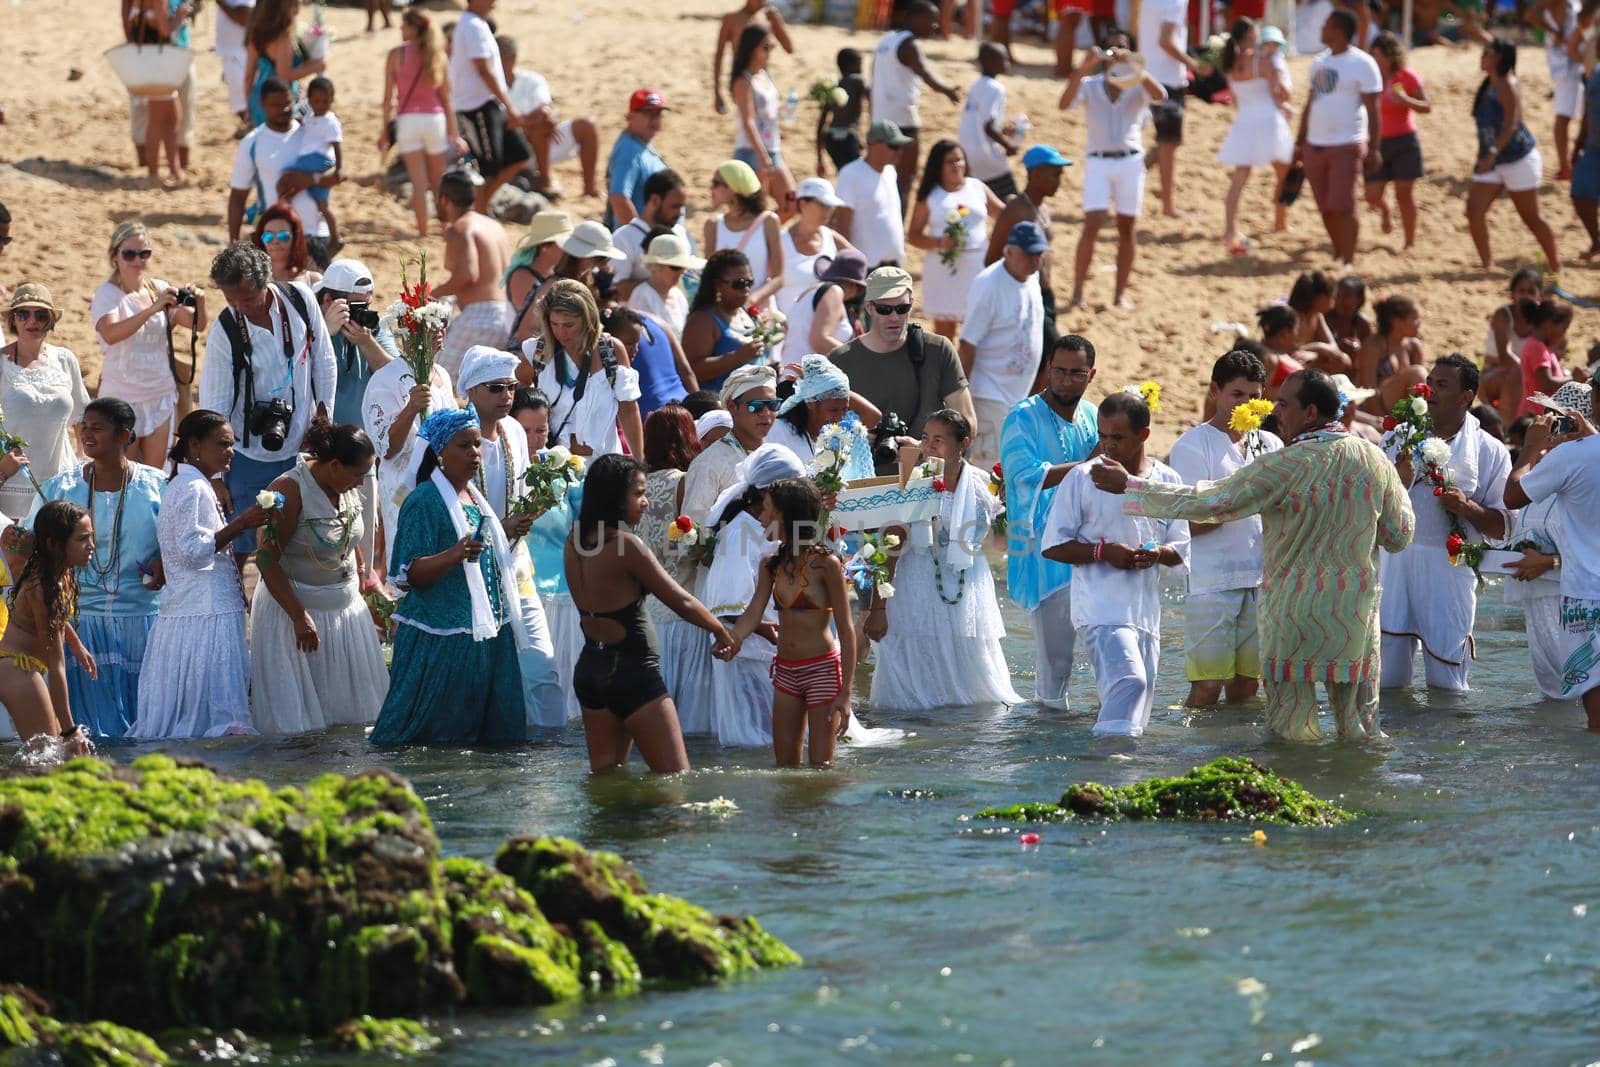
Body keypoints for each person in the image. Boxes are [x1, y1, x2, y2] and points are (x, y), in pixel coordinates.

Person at [1092, 369, 1414, 740]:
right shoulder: (1374, 460)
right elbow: (1400, 536)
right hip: (1353, 619)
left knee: (1294, 736)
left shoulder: (1285, 464)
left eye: (1284, 403)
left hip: (1293, 617)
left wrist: (1130, 487)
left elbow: (1211, 501)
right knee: (1361, 734)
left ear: (1310, 413)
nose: (1275, 411)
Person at [567, 453, 735, 771]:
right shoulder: (627, 546)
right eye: (639, 494)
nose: (645, 502)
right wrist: (720, 629)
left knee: (606, 779)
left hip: (590, 669)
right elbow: (680, 601)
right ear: (615, 497)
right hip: (633, 672)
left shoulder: (574, 541)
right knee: (676, 778)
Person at [372, 407, 529, 745]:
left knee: (488, 737)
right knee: (431, 737)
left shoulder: (473, 496)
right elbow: (411, 572)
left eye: (477, 445)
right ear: (440, 452)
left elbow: (473, 545)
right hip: (441, 635)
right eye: (464, 445)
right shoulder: (424, 500)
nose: (474, 453)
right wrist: (454, 555)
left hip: (484, 629)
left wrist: (505, 529)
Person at [1043, 390, 1188, 738]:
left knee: (1138, 711)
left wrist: (1155, 554)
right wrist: (1103, 552)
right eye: (1102, 436)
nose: (1107, 446)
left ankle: (1115, 780)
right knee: (1129, 681)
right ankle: (1108, 767)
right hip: (1100, 608)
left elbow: (1180, 548)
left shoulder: (1166, 480)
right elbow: (1052, 546)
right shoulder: (1082, 477)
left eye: (1118, 438)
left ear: (1144, 435)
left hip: (1144, 614)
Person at [27, 400, 164, 740]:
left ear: (124, 436)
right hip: (79, 620)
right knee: (89, 728)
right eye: (84, 427)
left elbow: (177, 542)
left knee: (143, 730)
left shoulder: (157, 486)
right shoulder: (61, 487)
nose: (86, 434)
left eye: (97, 428)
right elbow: (34, 543)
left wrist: (164, 563)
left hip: (141, 619)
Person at [868, 408, 1019, 711]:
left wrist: (1010, 503)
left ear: (962, 444)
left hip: (969, 585)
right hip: (917, 585)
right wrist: (878, 608)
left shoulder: (983, 484)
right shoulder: (912, 480)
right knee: (914, 669)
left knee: (972, 671)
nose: (929, 447)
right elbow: (890, 546)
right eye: (925, 438)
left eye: (939, 440)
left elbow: (1001, 543)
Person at [132, 410, 267, 739]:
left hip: (195, 608)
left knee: (194, 707)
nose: (230, 451)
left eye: (232, 445)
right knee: (213, 720)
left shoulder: (189, 483)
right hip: (206, 610)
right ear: (194, 445)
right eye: (222, 444)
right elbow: (194, 551)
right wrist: (242, 524)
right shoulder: (194, 488)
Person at [197, 242, 336, 562]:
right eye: (230, 299)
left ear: (266, 283)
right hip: (248, 454)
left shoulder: (300, 300)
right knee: (243, 543)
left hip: (302, 443)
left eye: (247, 298)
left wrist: (323, 419)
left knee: (299, 540)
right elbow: (214, 405)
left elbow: (324, 361)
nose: (239, 307)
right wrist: (216, 476)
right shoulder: (225, 329)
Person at [1379, 357, 1510, 693]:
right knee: (1388, 684)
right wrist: (1399, 479)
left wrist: (1467, 508)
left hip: (1450, 574)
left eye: (1442, 385)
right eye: (1430, 382)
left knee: (1448, 686)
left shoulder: (1490, 451)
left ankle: (1449, 743)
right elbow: (1370, 509)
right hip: (1396, 566)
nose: (1429, 390)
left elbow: (1503, 528)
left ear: (1466, 397)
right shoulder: (1397, 439)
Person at [249, 417, 387, 734]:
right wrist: (298, 615)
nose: (362, 483)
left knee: (352, 721)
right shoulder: (289, 489)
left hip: (345, 612)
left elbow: (349, 540)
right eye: (357, 474)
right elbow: (267, 559)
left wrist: (368, 587)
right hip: (296, 615)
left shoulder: (347, 486)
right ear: (335, 465)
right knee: (301, 727)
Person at [456, 346, 565, 730]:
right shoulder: (451, 435)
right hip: (467, 567)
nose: (506, 396)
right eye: (496, 387)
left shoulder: (515, 431)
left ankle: (550, 751)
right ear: (470, 390)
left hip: (514, 564)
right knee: (476, 674)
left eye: (512, 387)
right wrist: (500, 527)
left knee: (541, 663)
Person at [1167, 351, 1283, 707]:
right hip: (1211, 583)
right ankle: (1194, 753)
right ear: (1215, 391)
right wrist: (1244, 496)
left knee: (1248, 687)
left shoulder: (1271, 445)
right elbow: (1191, 523)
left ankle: (1239, 753)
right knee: (1207, 687)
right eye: (1237, 395)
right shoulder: (1191, 445)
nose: (1246, 404)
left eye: (1254, 397)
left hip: (1261, 581)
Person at [999, 334, 1101, 710]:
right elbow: (1023, 476)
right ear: (1047, 369)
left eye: (1076, 373)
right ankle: (1047, 732)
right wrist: (1090, 463)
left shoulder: (1093, 416)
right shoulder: (1022, 416)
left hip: (1090, 543)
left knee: (1101, 647)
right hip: (1046, 548)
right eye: (1058, 371)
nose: (1065, 380)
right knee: (1056, 659)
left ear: (1091, 374)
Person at [726, 477, 854, 766]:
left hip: (822, 671)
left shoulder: (827, 565)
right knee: (785, 768)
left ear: (787, 516)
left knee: (822, 768)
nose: (761, 517)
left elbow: (846, 631)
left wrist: (845, 693)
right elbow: (753, 612)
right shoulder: (770, 563)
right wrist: (733, 639)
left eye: (768, 510)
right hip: (785, 672)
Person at [1503, 386, 1600, 728]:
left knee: (1587, 707)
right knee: (1560, 703)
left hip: (1580, 597)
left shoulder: (1571, 461)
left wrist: (1529, 448)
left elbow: (1512, 496)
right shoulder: (1557, 467)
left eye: (1555, 420)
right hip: (1548, 604)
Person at [701, 442, 807, 747]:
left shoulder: (769, 525)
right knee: (757, 738)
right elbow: (727, 602)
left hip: (769, 645)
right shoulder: (741, 531)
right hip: (750, 649)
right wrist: (767, 630)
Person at [1059, 43, 1166, 310]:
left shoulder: (1137, 83)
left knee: (1127, 227)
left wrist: (1136, 68)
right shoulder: (1090, 84)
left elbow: (1161, 95)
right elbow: (1063, 105)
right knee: (1092, 223)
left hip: (1130, 161)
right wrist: (1083, 67)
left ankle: (1119, 295)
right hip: (1099, 160)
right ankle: (1077, 292)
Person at [828, 267, 976, 460]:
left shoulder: (938, 349)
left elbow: (968, 424)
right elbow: (820, 433)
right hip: (863, 483)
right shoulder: (840, 361)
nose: (894, 317)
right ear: (869, 307)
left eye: (902, 308)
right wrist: (857, 439)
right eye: (884, 309)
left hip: (927, 481)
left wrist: (926, 447)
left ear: (912, 304)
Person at [92, 220, 204, 467]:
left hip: (160, 394)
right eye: (129, 253)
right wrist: (153, 309)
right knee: (120, 477)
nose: (137, 260)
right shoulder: (108, 293)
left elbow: (197, 324)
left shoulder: (158, 288)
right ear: (115, 257)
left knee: (154, 477)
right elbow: (110, 333)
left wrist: (199, 301)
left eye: (144, 253)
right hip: (122, 398)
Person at [635, 405, 709, 727]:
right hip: (685, 611)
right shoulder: (686, 482)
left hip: (646, 614)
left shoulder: (636, 486)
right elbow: (692, 545)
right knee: (691, 723)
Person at [0, 499, 95, 752]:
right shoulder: (42, 587)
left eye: (91, 537)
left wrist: (76, 645)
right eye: (82, 539)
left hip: (25, 667)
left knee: (54, 753)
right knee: (50, 756)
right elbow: (56, 665)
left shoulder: (59, 573)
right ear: (54, 544)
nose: (92, 546)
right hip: (17, 667)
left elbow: (56, 619)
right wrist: (71, 730)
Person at [1294, 10, 1382, 266]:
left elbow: (1374, 110)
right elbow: (1310, 104)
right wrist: (1300, 142)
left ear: (1340, 31)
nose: (1322, 29)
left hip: (1347, 142)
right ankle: (1339, 251)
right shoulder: (1319, 62)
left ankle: (1348, 259)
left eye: (1327, 25)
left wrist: (1375, 147)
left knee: (1343, 206)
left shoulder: (1362, 63)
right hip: (1315, 143)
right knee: (1325, 206)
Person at [1467, 40, 1562, 275]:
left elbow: (1511, 125)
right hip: (1493, 158)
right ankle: (1487, 264)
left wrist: (1491, 153)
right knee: (1473, 211)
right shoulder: (1490, 83)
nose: (1483, 55)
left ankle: (1555, 265)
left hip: (1517, 158)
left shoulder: (1507, 83)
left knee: (1531, 218)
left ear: (1499, 58)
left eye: (1488, 52)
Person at [516, 281, 642, 459]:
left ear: (588, 320)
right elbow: (519, 388)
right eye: (554, 324)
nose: (561, 333)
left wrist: (639, 461)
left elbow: (629, 409)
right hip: (553, 468)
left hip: (604, 465)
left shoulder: (611, 351)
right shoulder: (539, 351)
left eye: (569, 325)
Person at [0, 285, 92, 523]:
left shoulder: (65, 359)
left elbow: (82, 417)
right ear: (13, 319)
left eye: (41, 315)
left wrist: (84, 456)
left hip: (60, 482)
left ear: (50, 320)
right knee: (15, 558)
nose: (32, 321)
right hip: (11, 485)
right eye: (23, 314)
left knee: (58, 556)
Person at [960, 221, 1046, 470]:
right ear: (1009, 251)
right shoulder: (989, 286)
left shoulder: (1031, 277)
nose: (1034, 260)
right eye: (1028, 253)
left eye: (1038, 253)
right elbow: (967, 344)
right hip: (989, 395)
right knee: (993, 468)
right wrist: (960, 400)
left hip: (1016, 396)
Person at [228, 78, 335, 268]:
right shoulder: (252, 143)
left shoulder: (310, 132)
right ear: (263, 105)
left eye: (287, 103)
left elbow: (337, 174)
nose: (284, 109)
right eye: (276, 105)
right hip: (276, 240)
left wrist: (308, 180)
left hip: (315, 232)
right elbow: (238, 195)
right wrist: (234, 242)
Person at [380, 10, 467, 239]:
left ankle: (422, 232)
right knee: (439, 180)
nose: (401, 30)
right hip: (434, 120)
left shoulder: (396, 55)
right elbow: (446, 98)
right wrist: (454, 133)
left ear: (413, 28)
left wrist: (383, 130)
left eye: (403, 26)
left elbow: (387, 100)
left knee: (418, 182)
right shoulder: (437, 55)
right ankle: (445, 227)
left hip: (407, 120)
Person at [870, 1, 962, 209]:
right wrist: (947, 90)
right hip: (903, 122)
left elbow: (873, 83)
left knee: (881, 179)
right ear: (916, 18)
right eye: (932, 20)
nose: (935, 25)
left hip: (880, 121)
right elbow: (926, 74)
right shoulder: (911, 44)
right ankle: (897, 228)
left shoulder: (885, 40)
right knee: (904, 180)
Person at [908, 141, 1004, 338]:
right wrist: (939, 243)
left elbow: (1003, 216)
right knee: (945, 332)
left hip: (978, 267)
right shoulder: (930, 195)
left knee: (978, 327)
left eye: (959, 160)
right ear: (938, 166)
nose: (956, 165)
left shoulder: (977, 187)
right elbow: (913, 235)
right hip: (944, 269)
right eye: (950, 161)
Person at [1216, 19, 1295, 254]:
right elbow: (1281, 94)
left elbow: (1235, 101)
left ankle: (1230, 228)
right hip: (1268, 120)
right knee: (1285, 173)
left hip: (1245, 121)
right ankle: (1280, 221)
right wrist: (1286, 104)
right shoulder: (1263, 61)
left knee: (1239, 179)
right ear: (1251, 36)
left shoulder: (1231, 65)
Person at [986, 145, 1070, 358]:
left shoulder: (1039, 207)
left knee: (1044, 361)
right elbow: (991, 259)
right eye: (1055, 173)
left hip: (1044, 294)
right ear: (1036, 173)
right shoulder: (1016, 211)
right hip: (1026, 298)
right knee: (1055, 355)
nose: (1059, 179)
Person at [448, 0, 530, 211]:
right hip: (477, 107)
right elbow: (483, 70)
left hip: (488, 105)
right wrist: (510, 107)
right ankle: (478, 210)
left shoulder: (477, 24)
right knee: (486, 169)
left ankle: (481, 206)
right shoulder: (473, 26)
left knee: (520, 155)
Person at [434, 171, 514, 383]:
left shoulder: (460, 228)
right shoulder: (494, 226)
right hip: (507, 314)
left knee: (436, 379)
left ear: (444, 200)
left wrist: (434, 293)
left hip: (480, 317)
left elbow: (467, 275)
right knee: (487, 387)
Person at [499, 35, 600, 200]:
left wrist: (538, 121)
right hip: (510, 150)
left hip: (542, 143)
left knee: (587, 125)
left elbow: (546, 110)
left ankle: (590, 189)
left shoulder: (532, 80)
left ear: (513, 57)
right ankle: (545, 179)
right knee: (539, 125)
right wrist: (531, 123)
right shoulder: (487, 85)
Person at [682, 365, 777, 526]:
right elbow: (693, 530)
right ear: (733, 407)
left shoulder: (776, 453)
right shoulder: (708, 463)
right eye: (756, 406)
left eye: (773, 405)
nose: (766, 413)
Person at [1363, 33, 1429, 251]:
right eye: (1373, 54)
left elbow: (1426, 106)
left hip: (1404, 141)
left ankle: (1410, 242)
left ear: (1391, 56)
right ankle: (1385, 208)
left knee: (1405, 194)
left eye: (1379, 55)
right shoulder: (1369, 78)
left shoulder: (1406, 77)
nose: (1376, 59)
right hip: (1377, 142)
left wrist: (1405, 100)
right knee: (1371, 195)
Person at [1139, 0, 1201, 219]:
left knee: (1168, 142)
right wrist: (1193, 64)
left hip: (1148, 72)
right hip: (1166, 78)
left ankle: (1136, 171)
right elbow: (1165, 41)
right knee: (1168, 143)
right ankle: (1168, 206)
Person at [774, 177, 855, 345]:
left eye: (831, 206)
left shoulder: (831, 237)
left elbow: (858, 266)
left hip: (827, 336)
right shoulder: (779, 240)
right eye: (823, 205)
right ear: (803, 203)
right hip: (786, 338)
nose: (829, 211)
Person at [126, 0, 196, 186]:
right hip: (159, 61)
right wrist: (180, 17)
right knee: (160, 118)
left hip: (150, 60)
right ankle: (154, 173)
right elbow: (165, 30)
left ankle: (172, 169)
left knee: (172, 116)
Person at [767, 354, 875, 476]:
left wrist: (828, 383)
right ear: (810, 404)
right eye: (833, 410)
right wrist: (815, 386)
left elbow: (874, 416)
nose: (840, 417)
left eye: (845, 409)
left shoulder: (840, 433)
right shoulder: (778, 430)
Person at [729, 24, 796, 213]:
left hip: (772, 148)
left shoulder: (764, 75)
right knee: (755, 212)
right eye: (765, 47)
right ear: (752, 49)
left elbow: (769, 113)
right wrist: (762, 156)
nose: (770, 52)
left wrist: (786, 109)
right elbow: (748, 120)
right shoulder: (743, 81)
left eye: (771, 47)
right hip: (752, 151)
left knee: (792, 203)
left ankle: (765, 239)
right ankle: (759, 238)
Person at [682, 250, 764, 393]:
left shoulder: (744, 312)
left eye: (750, 282)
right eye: (739, 284)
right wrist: (737, 357)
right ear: (718, 284)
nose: (746, 289)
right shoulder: (703, 321)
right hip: (722, 407)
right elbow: (691, 370)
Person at [704, 160, 785, 307]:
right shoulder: (712, 226)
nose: (711, 189)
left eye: (716, 183)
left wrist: (751, 300)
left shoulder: (768, 222)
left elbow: (779, 278)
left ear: (733, 188)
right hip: (725, 312)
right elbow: (709, 276)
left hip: (759, 311)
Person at [833, 120, 911, 268]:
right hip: (865, 269)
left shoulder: (890, 172)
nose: (899, 152)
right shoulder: (851, 174)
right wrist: (847, 265)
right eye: (893, 146)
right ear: (874, 144)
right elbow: (842, 223)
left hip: (894, 266)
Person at [283, 76, 344, 252]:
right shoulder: (310, 116)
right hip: (313, 160)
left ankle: (282, 204)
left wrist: (339, 167)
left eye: (325, 102)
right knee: (322, 206)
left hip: (317, 159)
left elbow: (337, 145)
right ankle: (335, 237)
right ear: (309, 100)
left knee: (289, 179)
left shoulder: (331, 120)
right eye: (316, 101)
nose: (321, 105)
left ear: (332, 100)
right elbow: (305, 123)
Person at [604, 306, 696, 420]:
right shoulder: (656, 321)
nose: (636, 349)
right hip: (685, 408)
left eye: (637, 343)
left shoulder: (619, 336)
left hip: (658, 419)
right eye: (629, 343)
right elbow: (686, 370)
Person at [1525, 0, 1584, 180]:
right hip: (1567, 63)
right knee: (1564, 115)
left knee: (1580, 115)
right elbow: (1530, 14)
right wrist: (1555, 32)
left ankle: (1569, 164)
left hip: (1575, 61)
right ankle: (1565, 166)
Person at [611, 170, 691, 300]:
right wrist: (658, 283)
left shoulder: (680, 233)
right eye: (675, 206)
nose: (680, 213)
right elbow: (615, 290)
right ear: (654, 200)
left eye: (682, 207)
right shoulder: (624, 238)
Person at [244, 0, 324, 127]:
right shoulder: (283, 37)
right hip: (280, 101)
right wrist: (317, 66)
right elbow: (284, 74)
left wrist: (248, 105)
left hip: (260, 98)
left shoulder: (256, 33)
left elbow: (248, 76)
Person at [959, 43, 1021, 200]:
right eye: (1003, 59)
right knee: (1010, 201)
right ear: (990, 62)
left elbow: (979, 123)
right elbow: (988, 127)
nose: (1007, 62)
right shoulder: (996, 88)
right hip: (987, 156)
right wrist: (1009, 145)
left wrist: (1002, 131)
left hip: (967, 154)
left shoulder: (976, 86)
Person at [713, 0, 795, 117]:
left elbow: (789, 49)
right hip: (741, 76)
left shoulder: (769, 16)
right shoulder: (731, 19)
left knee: (764, 117)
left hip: (763, 76)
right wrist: (716, 92)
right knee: (750, 119)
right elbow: (719, 55)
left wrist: (777, 22)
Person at [1484, 267, 1542, 421]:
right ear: (1512, 294)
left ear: (1539, 295)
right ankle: (1510, 429)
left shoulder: (1542, 320)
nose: (1525, 296)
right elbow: (1505, 358)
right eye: (1521, 291)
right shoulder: (1503, 315)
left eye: (1531, 291)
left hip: (1526, 375)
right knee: (1517, 374)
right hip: (1495, 375)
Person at [605, 89, 669, 229]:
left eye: (658, 114)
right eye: (647, 113)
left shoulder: (640, 145)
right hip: (641, 247)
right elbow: (619, 199)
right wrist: (640, 237)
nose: (654, 120)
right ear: (630, 116)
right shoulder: (628, 150)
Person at [506, 212, 573, 344]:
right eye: (564, 244)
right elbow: (533, 323)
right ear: (544, 246)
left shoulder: (553, 274)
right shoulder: (521, 277)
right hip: (528, 351)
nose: (570, 250)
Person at [787, 249, 868, 357]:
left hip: (796, 369)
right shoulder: (834, 291)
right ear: (854, 285)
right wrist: (859, 357)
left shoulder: (808, 292)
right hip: (807, 371)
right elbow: (820, 341)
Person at [628, 234, 701, 339]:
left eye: (684, 266)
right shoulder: (642, 295)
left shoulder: (678, 295)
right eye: (676, 267)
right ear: (657, 266)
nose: (682, 272)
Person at [1517, 299, 1574, 417]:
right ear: (1549, 324)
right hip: (1537, 413)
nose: (1564, 334)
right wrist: (1573, 379)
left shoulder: (1542, 347)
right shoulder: (1537, 347)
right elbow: (1546, 383)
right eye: (1564, 328)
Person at [816, 48, 868, 177]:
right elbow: (872, 97)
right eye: (860, 64)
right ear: (853, 65)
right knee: (856, 176)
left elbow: (821, 122)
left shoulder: (834, 87)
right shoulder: (858, 80)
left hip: (831, 138)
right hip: (848, 137)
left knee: (844, 174)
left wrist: (819, 158)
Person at [252, 203, 321, 288]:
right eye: (268, 236)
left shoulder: (315, 281)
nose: (275, 241)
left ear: (295, 238)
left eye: (282, 235)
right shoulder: (251, 282)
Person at [216, 0, 255, 130]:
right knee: (242, 102)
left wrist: (221, 3)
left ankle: (254, 128)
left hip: (239, 55)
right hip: (236, 54)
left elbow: (245, 18)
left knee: (243, 102)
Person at [1326, 275, 1373, 363]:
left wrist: (1359, 349)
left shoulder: (1362, 324)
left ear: (1360, 299)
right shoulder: (1326, 318)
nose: (1340, 300)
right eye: (1338, 295)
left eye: (1346, 296)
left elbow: (1370, 353)